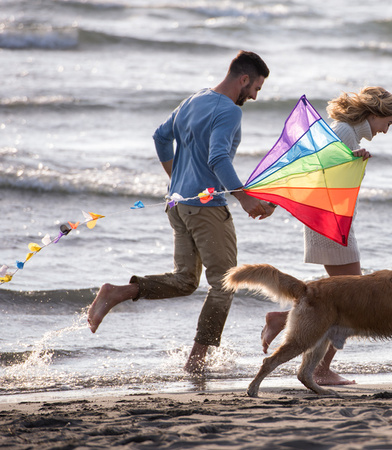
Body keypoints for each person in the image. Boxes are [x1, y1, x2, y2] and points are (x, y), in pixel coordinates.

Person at [87, 50, 276, 373]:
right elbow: (218, 159)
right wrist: (243, 198)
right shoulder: (229, 111)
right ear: (243, 79)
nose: (255, 96)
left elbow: (161, 137)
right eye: (256, 88)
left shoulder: (195, 99)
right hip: (206, 210)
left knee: (185, 280)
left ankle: (117, 292)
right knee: (225, 284)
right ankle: (197, 361)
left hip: (178, 206)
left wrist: (177, 178)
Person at [262, 86, 392, 385]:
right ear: (375, 113)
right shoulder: (344, 132)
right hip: (329, 224)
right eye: (387, 124)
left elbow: (328, 171)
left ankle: (282, 322)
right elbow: (311, 172)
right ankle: (320, 370)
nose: (386, 131)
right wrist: (351, 158)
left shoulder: (345, 131)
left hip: (332, 223)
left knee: (345, 300)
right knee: (354, 301)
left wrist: (351, 160)